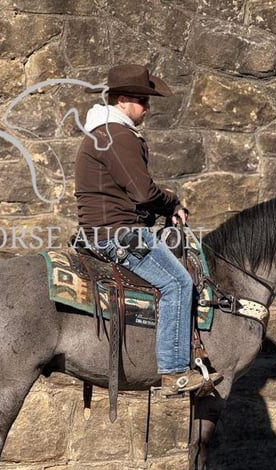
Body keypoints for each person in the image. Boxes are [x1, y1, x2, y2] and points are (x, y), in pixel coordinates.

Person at [74, 64, 220, 395]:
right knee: (179, 283)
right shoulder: (118, 135)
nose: (148, 108)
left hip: (104, 230)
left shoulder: (106, 134)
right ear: (122, 99)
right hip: (118, 235)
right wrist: (172, 204)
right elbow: (142, 192)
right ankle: (173, 372)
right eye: (143, 100)